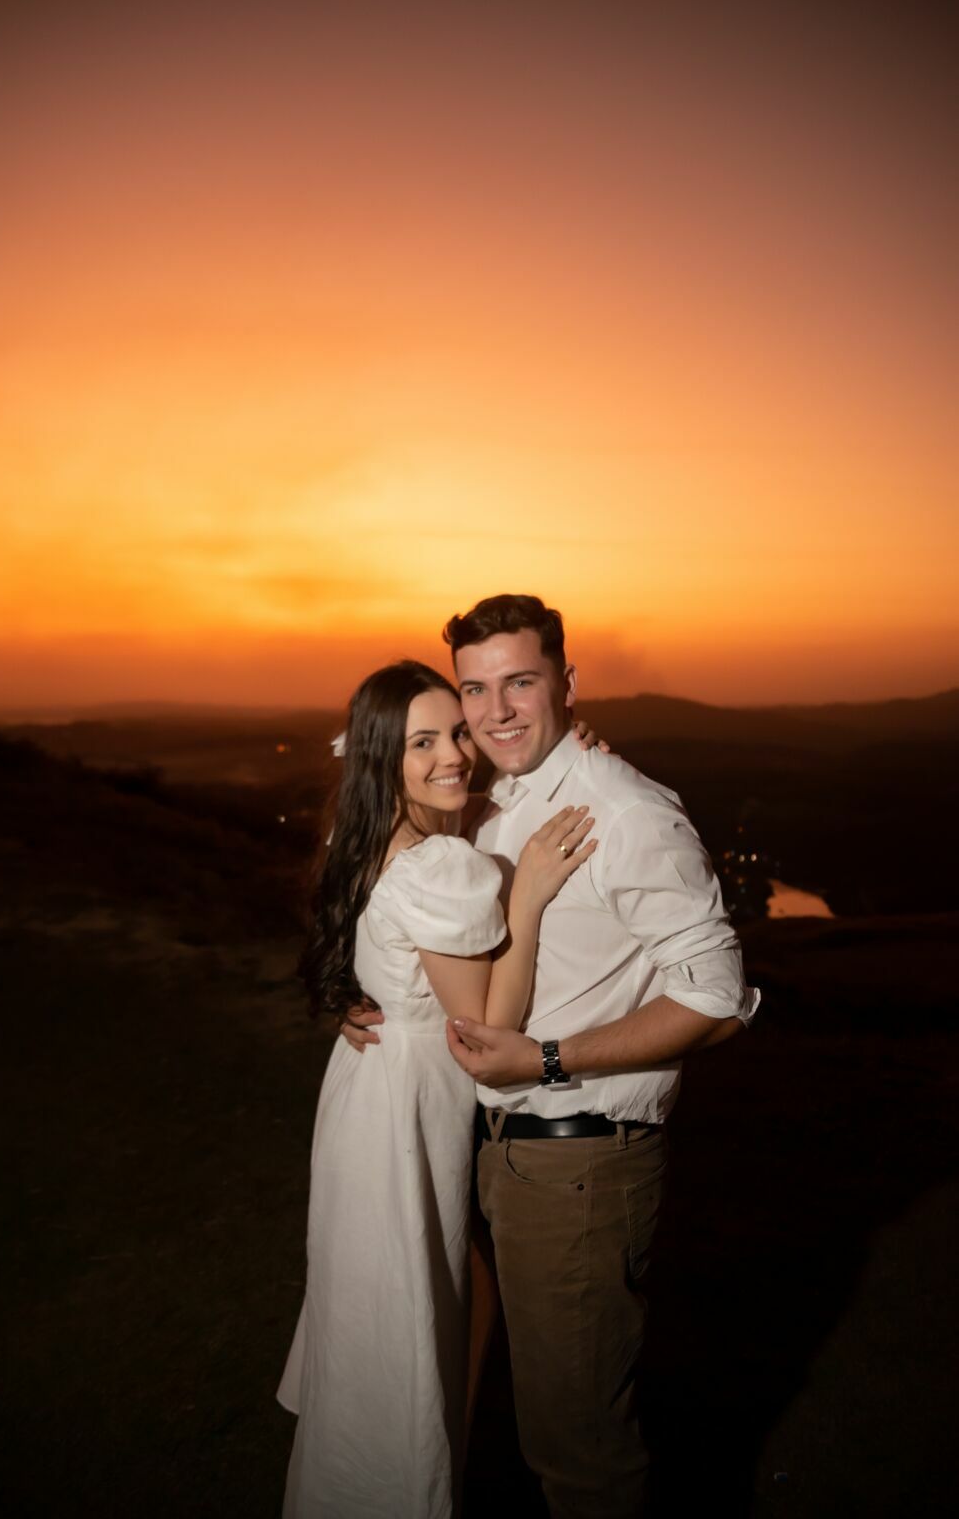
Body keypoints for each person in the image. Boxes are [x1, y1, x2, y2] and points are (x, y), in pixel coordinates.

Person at [343, 595, 759, 1519]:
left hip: (580, 1159)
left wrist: (551, 1060)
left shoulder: (626, 812)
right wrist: (381, 1001)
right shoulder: (486, 800)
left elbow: (716, 994)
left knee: (579, 1452)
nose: (494, 714)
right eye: (475, 690)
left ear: (567, 682)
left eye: (520, 683)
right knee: (493, 1404)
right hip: (489, 1147)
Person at [278, 658, 598, 1519]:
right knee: (421, 1296)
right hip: (402, 1107)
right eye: (423, 742)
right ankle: (416, 1479)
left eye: (456, 732)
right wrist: (525, 901)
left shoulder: (377, 835)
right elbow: (484, 1030)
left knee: (417, 1291)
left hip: (367, 1091)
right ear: (384, 756)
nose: (455, 754)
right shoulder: (435, 868)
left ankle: (423, 1466)